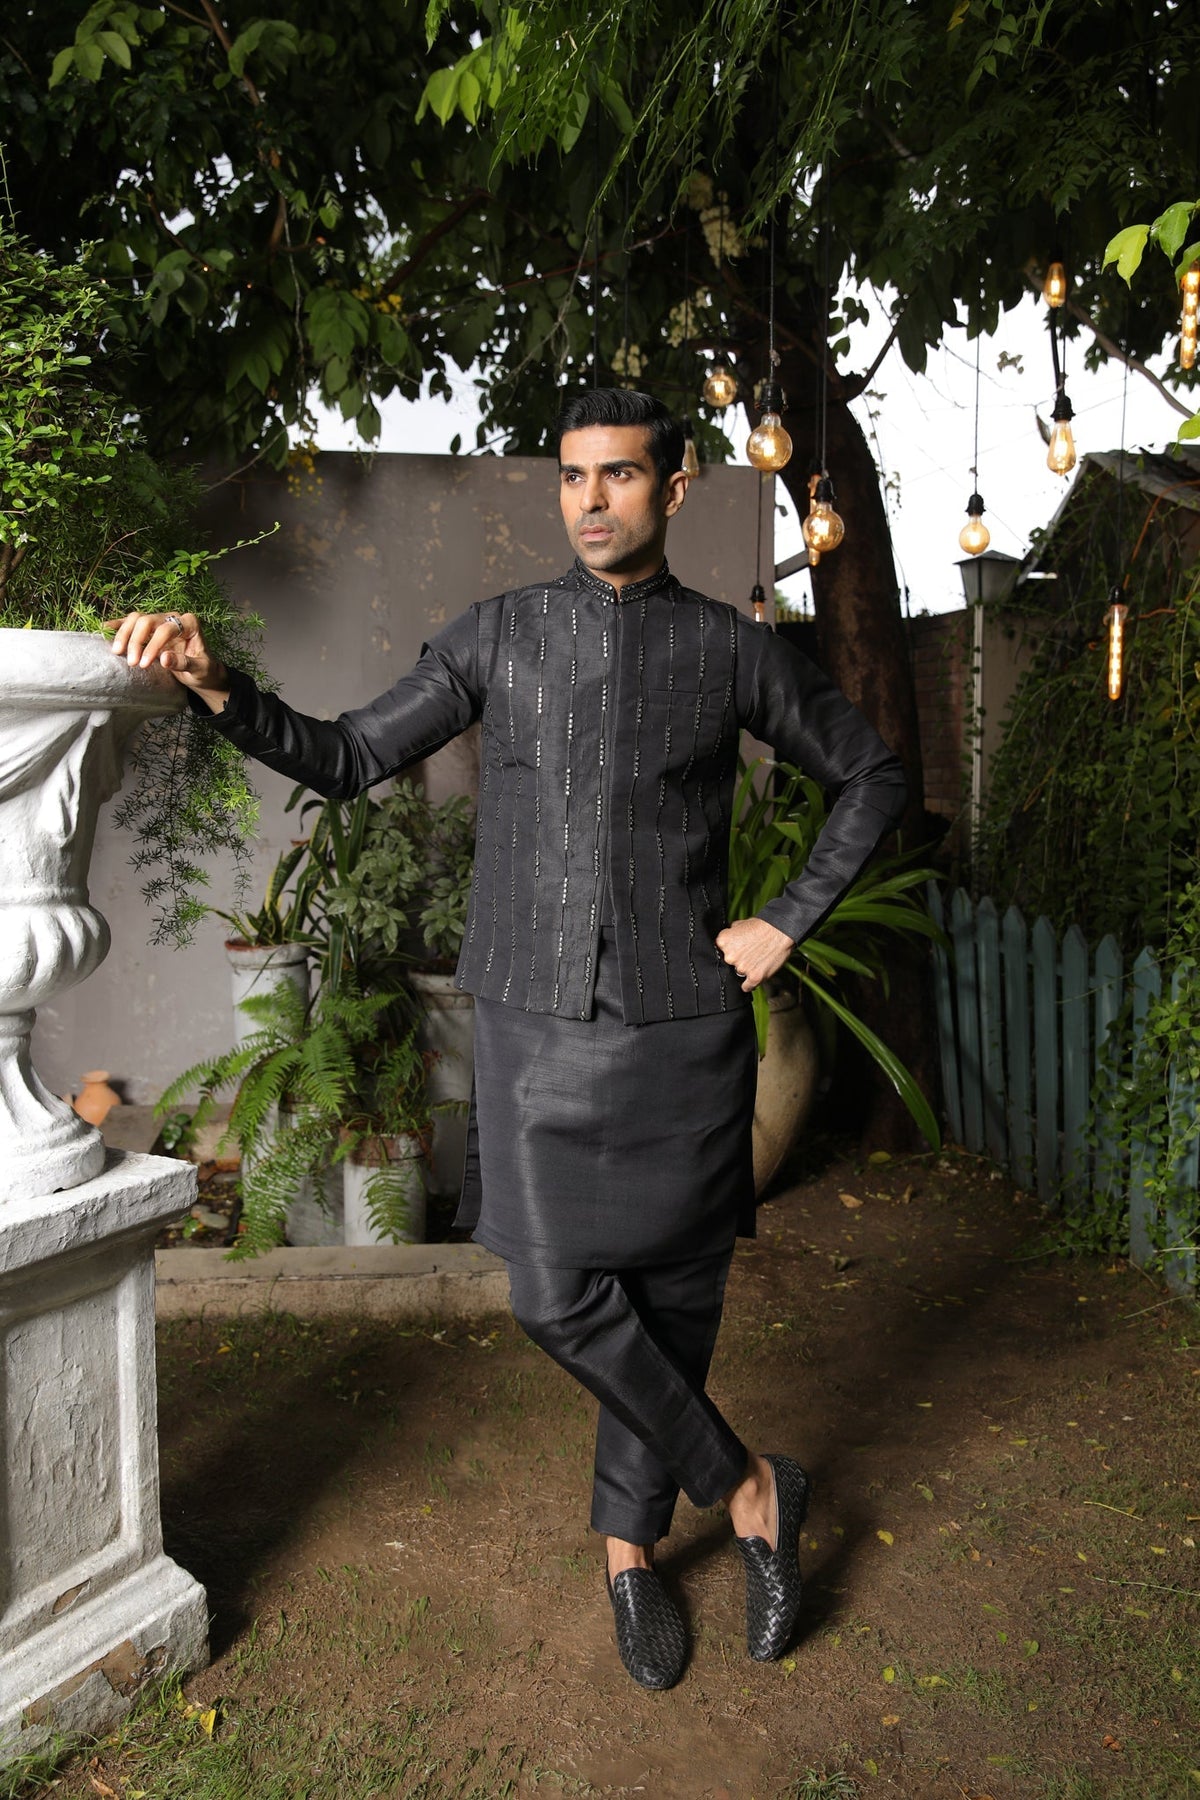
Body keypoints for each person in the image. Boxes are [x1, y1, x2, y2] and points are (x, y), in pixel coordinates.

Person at [111, 388, 906, 1691]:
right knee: (555, 1294)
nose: (592, 500)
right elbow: (348, 756)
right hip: (537, 1032)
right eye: (574, 477)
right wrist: (216, 686)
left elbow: (873, 772)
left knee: (672, 1304)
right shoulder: (498, 634)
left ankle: (631, 1559)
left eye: (620, 476)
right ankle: (752, 1486)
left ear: (674, 487)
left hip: (684, 1031)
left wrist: (784, 922)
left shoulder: (730, 649)